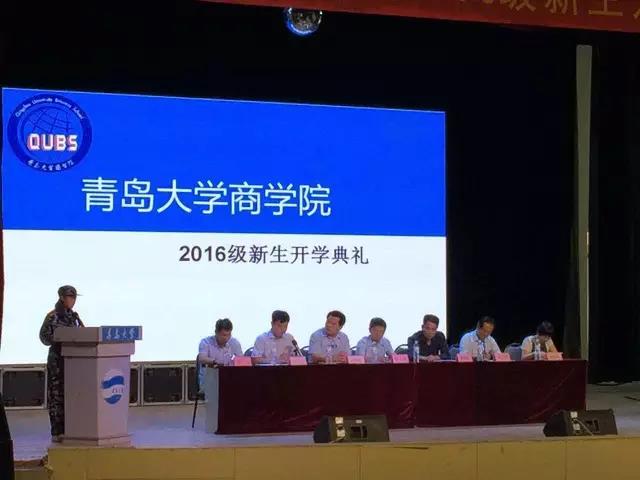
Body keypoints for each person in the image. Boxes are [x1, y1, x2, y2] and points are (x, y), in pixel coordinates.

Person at [39, 285, 85, 443]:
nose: (73, 300)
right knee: (56, 396)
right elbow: (44, 337)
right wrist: (58, 338)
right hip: (57, 361)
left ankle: (71, 428)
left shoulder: (74, 317)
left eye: (74, 297)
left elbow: (83, 333)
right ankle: (57, 431)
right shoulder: (52, 316)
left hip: (73, 361)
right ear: (62, 298)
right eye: (70, 297)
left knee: (70, 395)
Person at [198, 318, 243, 386]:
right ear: (216, 332)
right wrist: (215, 361)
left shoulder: (234, 342)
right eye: (224, 335)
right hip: (209, 380)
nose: (226, 338)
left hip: (229, 379)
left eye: (229, 335)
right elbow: (202, 358)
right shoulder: (206, 342)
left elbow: (241, 361)